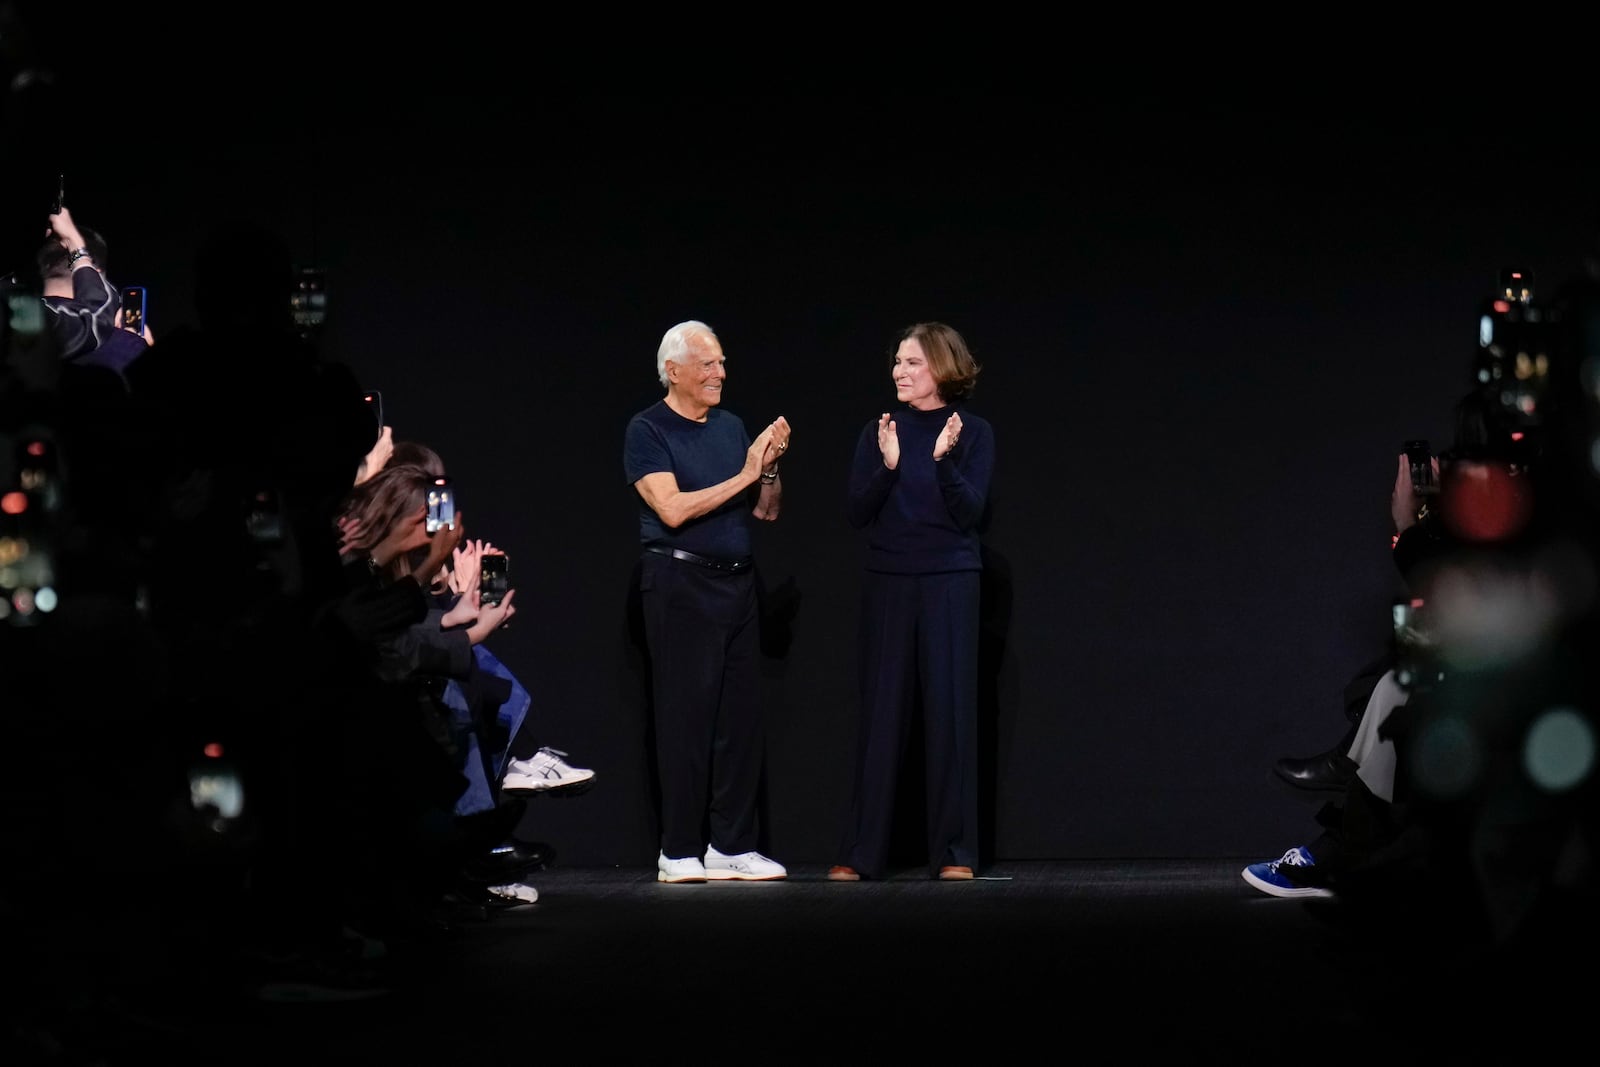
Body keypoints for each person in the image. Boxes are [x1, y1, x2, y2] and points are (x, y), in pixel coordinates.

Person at [623, 319, 790, 883]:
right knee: (685, 721)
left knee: (739, 722)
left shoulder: (731, 425)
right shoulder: (647, 429)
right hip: (680, 587)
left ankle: (732, 845)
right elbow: (670, 510)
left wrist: (766, 467)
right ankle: (679, 850)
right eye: (708, 364)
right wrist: (745, 472)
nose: (720, 373)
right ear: (674, 371)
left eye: (721, 363)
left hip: (738, 585)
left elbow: (766, 510)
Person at [829, 321, 995, 883]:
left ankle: (955, 852)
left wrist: (944, 462)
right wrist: (890, 466)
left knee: (949, 714)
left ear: (943, 369)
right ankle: (862, 851)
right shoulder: (879, 430)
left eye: (913, 362)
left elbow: (971, 514)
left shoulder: (972, 432)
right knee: (882, 714)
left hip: (950, 580)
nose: (900, 372)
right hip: (889, 581)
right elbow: (856, 511)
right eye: (897, 362)